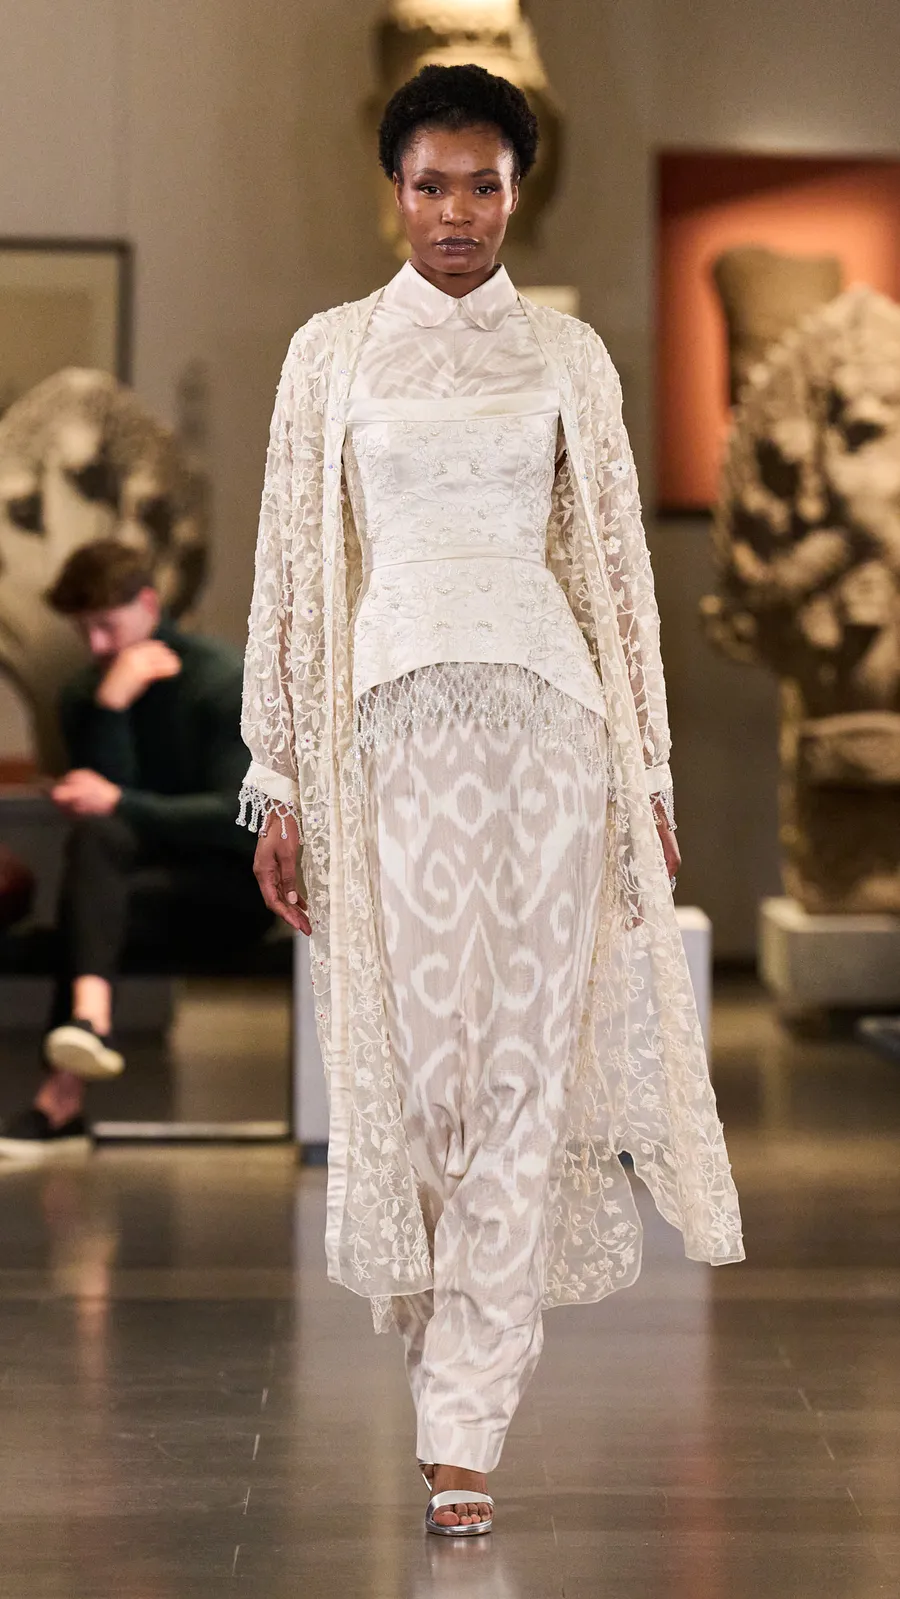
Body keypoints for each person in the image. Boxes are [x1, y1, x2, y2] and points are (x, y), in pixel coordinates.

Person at [240, 63, 745, 1536]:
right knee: (418, 1084)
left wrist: (647, 773)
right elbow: (289, 573)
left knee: (524, 1074)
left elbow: (618, 575)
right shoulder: (331, 354)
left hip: (549, 732)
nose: (457, 213)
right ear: (392, 192)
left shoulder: (570, 357)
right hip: (386, 737)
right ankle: (440, 1351)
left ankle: (465, 1424)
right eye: (431, 185)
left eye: (484, 186)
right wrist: (279, 779)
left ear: (518, 193)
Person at [0, 540, 270, 1160]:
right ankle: (87, 1024)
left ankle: (61, 1101)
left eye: (106, 625)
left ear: (148, 604)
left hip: (226, 893)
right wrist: (111, 709)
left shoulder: (218, 680)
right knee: (97, 852)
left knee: (92, 901)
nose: (96, 644)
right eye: (83, 630)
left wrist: (122, 802)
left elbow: (240, 822)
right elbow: (110, 818)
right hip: (129, 890)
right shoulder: (87, 695)